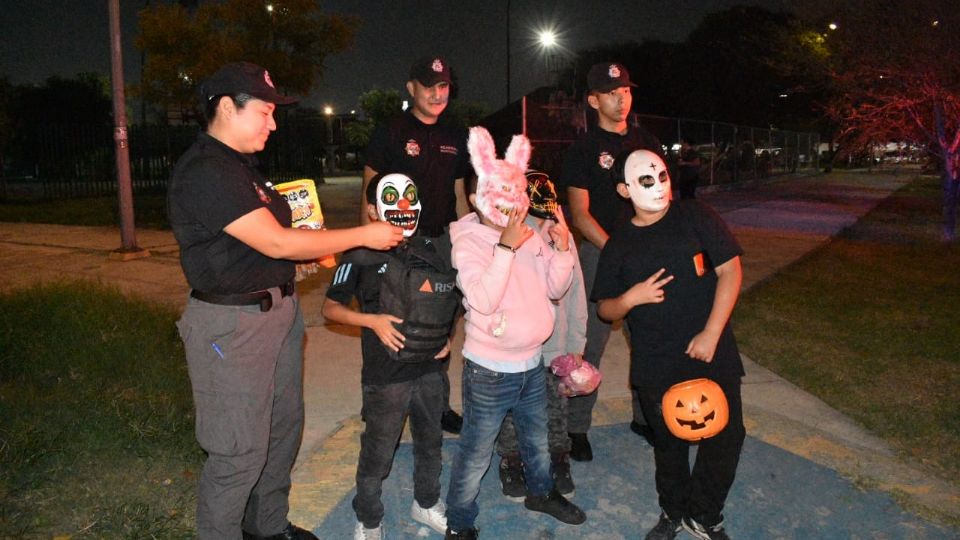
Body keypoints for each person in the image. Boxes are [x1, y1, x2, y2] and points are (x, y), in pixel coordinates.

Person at [167, 61, 404, 540]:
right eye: (265, 112)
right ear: (228, 108)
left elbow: (260, 247)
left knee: (280, 432)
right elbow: (275, 241)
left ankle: (267, 528)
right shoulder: (206, 171)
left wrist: (296, 261)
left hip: (275, 315)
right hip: (232, 328)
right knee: (237, 452)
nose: (273, 124)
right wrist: (367, 234)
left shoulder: (241, 168)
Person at [592, 149, 745, 540]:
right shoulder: (619, 244)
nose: (659, 186)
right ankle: (673, 512)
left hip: (713, 350)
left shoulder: (696, 216)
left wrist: (712, 332)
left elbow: (730, 270)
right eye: (646, 180)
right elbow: (606, 309)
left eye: (661, 175)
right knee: (669, 442)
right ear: (625, 190)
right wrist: (631, 299)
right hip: (657, 360)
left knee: (726, 435)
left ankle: (705, 514)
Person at [444, 128, 585, 539]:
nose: (507, 202)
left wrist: (560, 250)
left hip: (531, 364)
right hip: (489, 371)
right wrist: (505, 247)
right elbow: (483, 299)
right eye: (497, 191)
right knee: (475, 452)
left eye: (513, 191)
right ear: (476, 199)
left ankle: (541, 492)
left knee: (537, 440)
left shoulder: (529, 234)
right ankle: (460, 523)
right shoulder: (467, 241)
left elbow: (555, 290)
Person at [323, 174, 458, 540]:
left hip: (430, 369)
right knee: (378, 452)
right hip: (385, 375)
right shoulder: (359, 253)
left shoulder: (431, 249)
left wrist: (445, 337)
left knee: (431, 442)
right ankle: (368, 520)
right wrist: (372, 321)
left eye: (409, 197)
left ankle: (426, 503)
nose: (403, 206)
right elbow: (330, 309)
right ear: (371, 209)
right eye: (392, 198)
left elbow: (448, 300)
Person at [558, 62, 663, 461]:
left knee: (648, 342)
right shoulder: (583, 149)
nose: (621, 99)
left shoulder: (646, 141)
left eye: (626, 91)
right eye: (612, 93)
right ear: (593, 99)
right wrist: (618, 250)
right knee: (588, 345)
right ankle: (576, 427)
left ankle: (645, 417)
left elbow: (662, 200)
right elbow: (580, 215)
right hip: (599, 254)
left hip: (645, 255)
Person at [361, 54, 471, 434]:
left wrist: (468, 238)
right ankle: (379, 402)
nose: (438, 94)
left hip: (440, 244)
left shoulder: (456, 135)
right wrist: (368, 243)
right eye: (430, 86)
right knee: (391, 320)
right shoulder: (390, 131)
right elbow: (370, 188)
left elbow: (460, 193)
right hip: (397, 243)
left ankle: (437, 405)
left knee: (438, 326)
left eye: (444, 87)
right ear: (412, 88)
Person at [495, 170, 587, 501]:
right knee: (512, 407)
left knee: (556, 407)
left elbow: (575, 289)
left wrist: (577, 342)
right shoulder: (506, 230)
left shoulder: (560, 232)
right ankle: (512, 459)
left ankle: (558, 459)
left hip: (556, 342)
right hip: (518, 345)